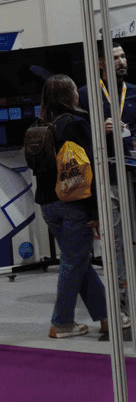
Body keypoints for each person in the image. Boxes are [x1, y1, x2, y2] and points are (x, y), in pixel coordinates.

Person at [28, 74, 107, 339]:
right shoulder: (75, 124)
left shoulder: (40, 125)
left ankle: (107, 316)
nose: (78, 94)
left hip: (48, 206)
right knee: (74, 262)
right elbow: (89, 171)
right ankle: (61, 323)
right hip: (74, 205)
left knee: (78, 260)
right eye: (75, 89)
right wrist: (96, 211)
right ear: (69, 95)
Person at [78, 40, 136, 324]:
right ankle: (120, 309)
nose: (122, 61)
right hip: (106, 180)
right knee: (115, 246)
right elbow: (77, 143)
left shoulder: (134, 93)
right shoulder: (87, 95)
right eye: (115, 58)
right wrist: (99, 131)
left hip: (132, 175)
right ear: (100, 62)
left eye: (123, 56)